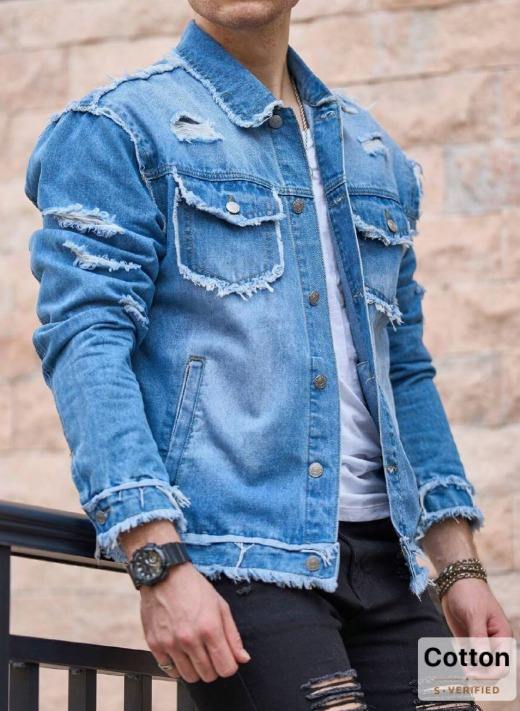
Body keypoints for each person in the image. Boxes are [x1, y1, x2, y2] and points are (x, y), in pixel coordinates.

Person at [25, 2, 511, 709]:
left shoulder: (373, 150)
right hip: (237, 562)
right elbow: (87, 344)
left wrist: (458, 566)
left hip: (393, 563)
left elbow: (403, 367)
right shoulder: (117, 130)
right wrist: (157, 562)